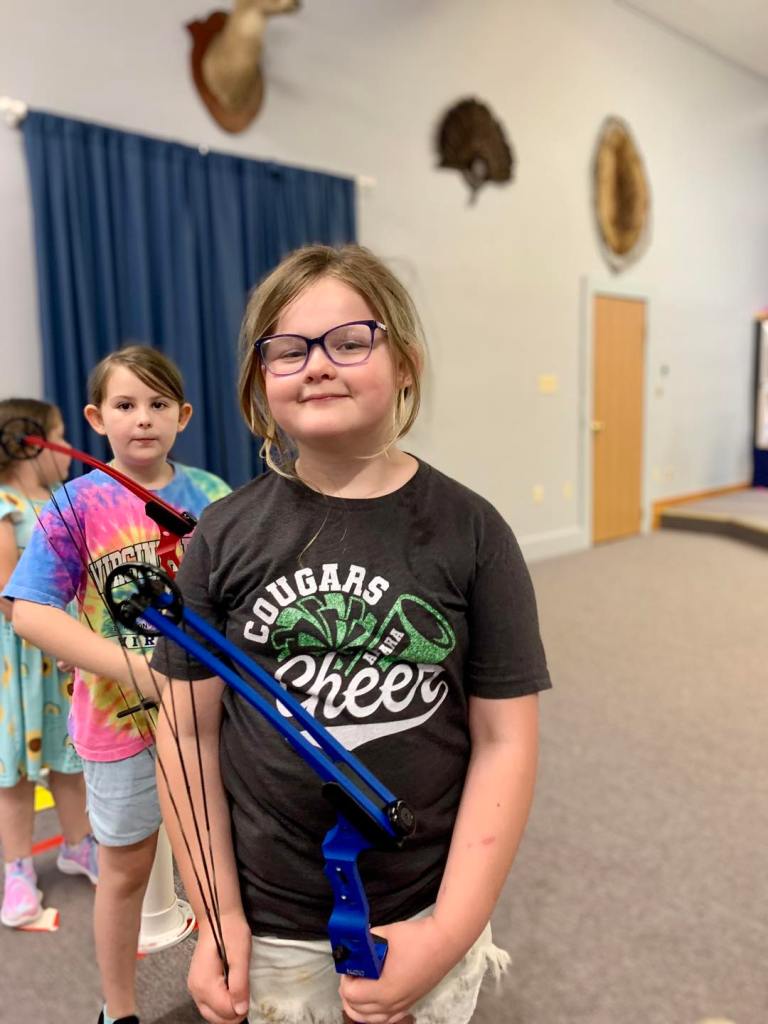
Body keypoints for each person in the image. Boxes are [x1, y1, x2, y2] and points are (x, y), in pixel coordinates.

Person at [150, 244, 552, 1024]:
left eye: (350, 341)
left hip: (419, 912)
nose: (318, 366)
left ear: (404, 363)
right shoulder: (223, 536)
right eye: (288, 349)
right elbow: (187, 736)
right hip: (267, 922)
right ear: (261, 383)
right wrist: (216, 918)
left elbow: (506, 742)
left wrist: (448, 931)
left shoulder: (474, 533)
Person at [5, 347, 231, 1024]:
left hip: (210, 727)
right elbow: (31, 611)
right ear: (97, 418)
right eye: (126, 406)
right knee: (126, 871)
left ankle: (225, 988)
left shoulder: (213, 497)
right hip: (118, 728)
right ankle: (120, 1007)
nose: (143, 419)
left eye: (159, 405)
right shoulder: (75, 504)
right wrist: (138, 670)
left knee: (214, 868)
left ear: (183, 416)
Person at [0, 397, 97, 928]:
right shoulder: (5, 506)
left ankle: (78, 845)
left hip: (62, 653)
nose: (67, 452)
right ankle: (16, 870)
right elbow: (6, 591)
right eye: (58, 438)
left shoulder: (65, 500)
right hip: (18, 659)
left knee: (68, 759)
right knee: (13, 771)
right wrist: (57, 641)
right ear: (30, 443)